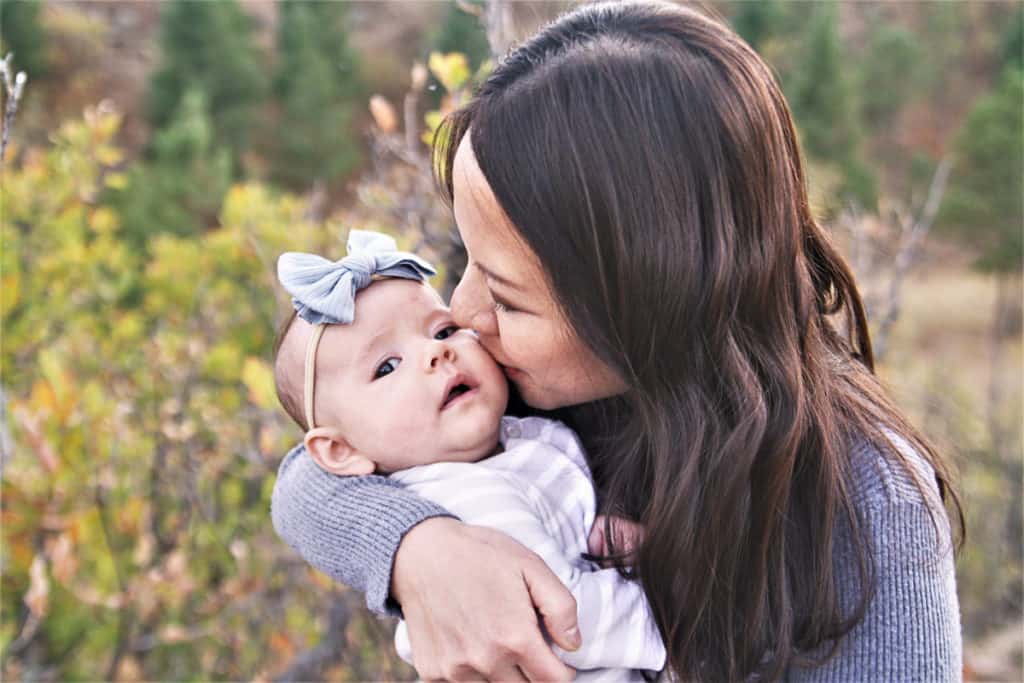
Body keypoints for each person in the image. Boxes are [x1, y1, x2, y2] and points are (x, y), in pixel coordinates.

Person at [270, 2, 964, 680]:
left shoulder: (869, 508)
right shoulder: (535, 385)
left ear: (641, 306)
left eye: (507, 295)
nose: (463, 311)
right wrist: (416, 549)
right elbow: (310, 474)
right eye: (467, 261)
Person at [272, 231, 665, 679]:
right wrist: (682, 614)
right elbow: (566, 621)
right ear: (341, 450)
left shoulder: (507, 444)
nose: (437, 351)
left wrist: (599, 539)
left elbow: (556, 525)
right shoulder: (468, 500)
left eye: (442, 331)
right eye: (387, 366)